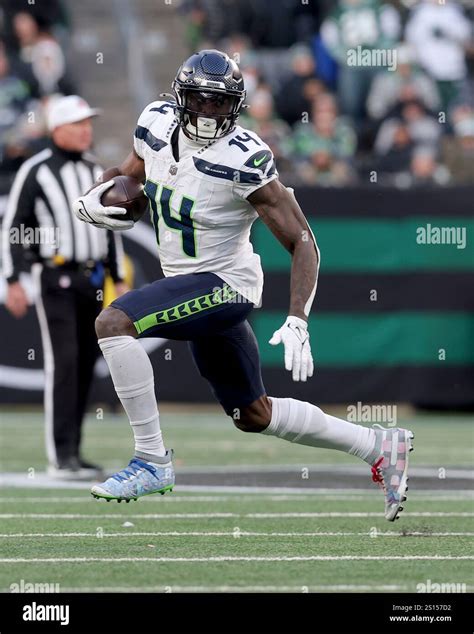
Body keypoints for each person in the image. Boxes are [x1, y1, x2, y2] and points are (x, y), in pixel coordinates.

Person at [73, 50, 413, 520]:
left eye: (220, 103)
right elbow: (129, 178)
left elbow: (303, 242)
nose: (208, 112)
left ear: (235, 107)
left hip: (225, 286)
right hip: (189, 284)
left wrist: (298, 318)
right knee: (254, 414)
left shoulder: (244, 158)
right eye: (200, 100)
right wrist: (98, 194)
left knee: (113, 323)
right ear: (181, 97)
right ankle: (378, 445)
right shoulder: (155, 123)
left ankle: (151, 459)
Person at [2, 94, 127, 479]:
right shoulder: (36, 169)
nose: (86, 130)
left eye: (88, 123)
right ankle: (60, 456)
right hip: (55, 277)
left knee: (87, 360)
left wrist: (118, 276)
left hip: (93, 279)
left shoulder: (95, 169)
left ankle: (74, 450)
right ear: (57, 128)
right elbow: (15, 226)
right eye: (78, 123)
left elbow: (110, 226)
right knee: (65, 360)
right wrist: (14, 279)